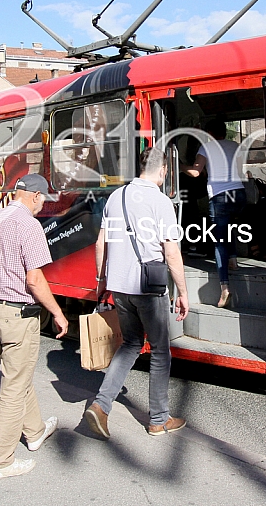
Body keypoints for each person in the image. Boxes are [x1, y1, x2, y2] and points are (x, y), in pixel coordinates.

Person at [85, 147, 190, 440]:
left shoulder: (115, 197)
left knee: (130, 344)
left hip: (119, 286)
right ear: (163, 170)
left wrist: (100, 279)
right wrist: (182, 292)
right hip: (149, 288)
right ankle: (158, 419)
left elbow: (100, 243)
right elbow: (171, 252)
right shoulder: (161, 202)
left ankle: (101, 405)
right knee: (159, 350)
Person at [0, 174, 68, 480]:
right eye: (44, 199)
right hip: (17, 315)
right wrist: (57, 313)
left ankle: (35, 432)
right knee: (14, 386)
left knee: (17, 373)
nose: (43, 205)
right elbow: (34, 280)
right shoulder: (29, 225)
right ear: (35, 196)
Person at [182, 119, 245, 308]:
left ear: (209, 132)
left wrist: (178, 166)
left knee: (219, 242)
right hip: (239, 193)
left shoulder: (206, 147)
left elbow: (195, 172)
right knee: (228, 226)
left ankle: (224, 287)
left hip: (219, 195)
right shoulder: (235, 145)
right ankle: (233, 260)